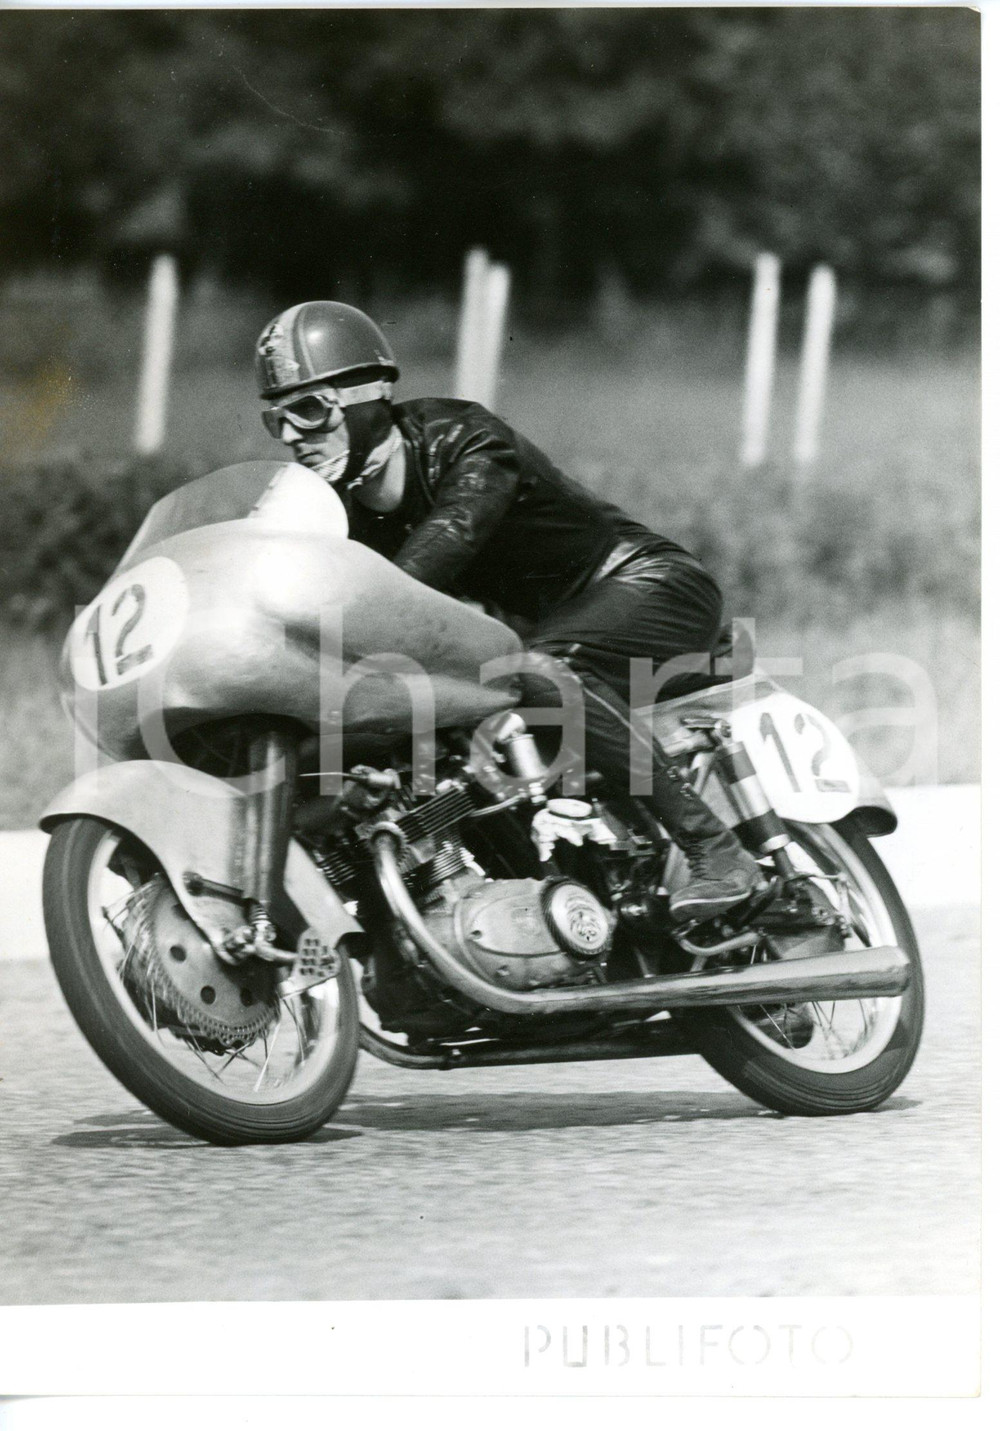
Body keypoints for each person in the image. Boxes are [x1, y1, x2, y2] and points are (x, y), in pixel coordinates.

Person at [255, 300, 761, 921]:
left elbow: (451, 538)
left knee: (542, 670)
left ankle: (717, 852)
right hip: (540, 634)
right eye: (275, 419)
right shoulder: (336, 505)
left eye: (309, 410)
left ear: (369, 398)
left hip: (648, 583)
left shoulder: (465, 440)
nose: (292, 435)